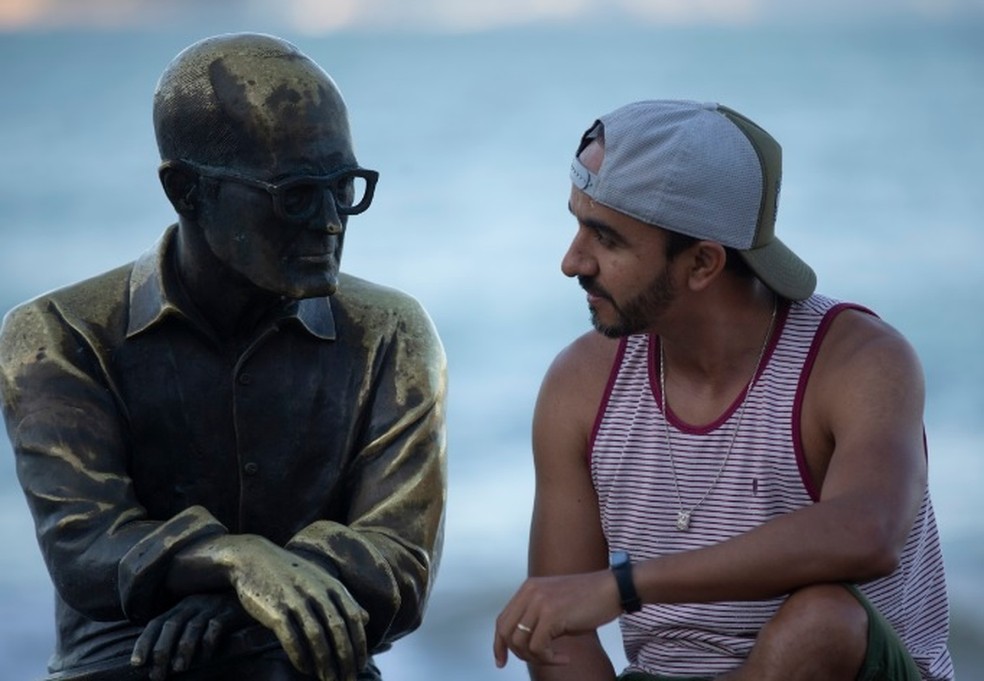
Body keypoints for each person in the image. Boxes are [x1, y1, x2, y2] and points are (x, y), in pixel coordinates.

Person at [0, 33, 447, 681]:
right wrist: (234, 558)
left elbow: (402, 561)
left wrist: (246, 598)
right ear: (186, 191)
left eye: (344, 187)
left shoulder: (392, 333)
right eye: (295, 194)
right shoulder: (59, 333)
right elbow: (84, 545)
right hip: (126, 665)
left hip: (307, 663)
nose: (329, 221)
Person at [492, 100, 953, 680]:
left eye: (605, 239)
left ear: (703, 263)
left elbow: (869, 534)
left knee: (820, 624)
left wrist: (624, 586)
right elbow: (559, 628)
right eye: (576, 224)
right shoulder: (581, 384)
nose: (571, 261)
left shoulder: (857, 360)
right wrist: (583, 605)